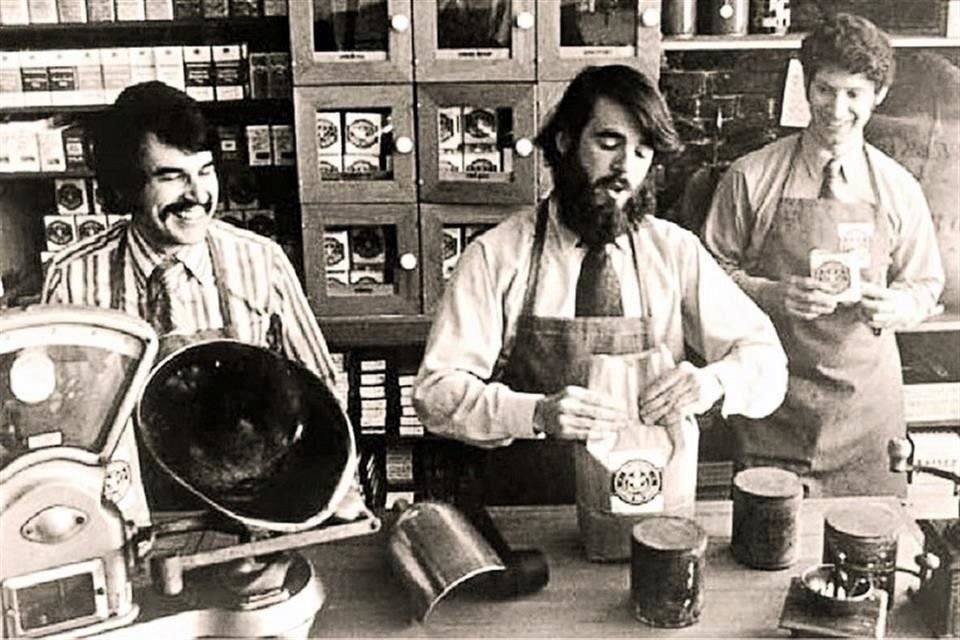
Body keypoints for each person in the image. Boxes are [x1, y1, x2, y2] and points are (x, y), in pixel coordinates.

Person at [413, 64, 788, 505]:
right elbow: (435, 395)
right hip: (532, 511)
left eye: (642, 152)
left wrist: (714, 382)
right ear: (565, 141)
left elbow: (768, 365)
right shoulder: (497, 255)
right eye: (608, 143)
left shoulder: (672, 251)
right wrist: (533, 412)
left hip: (649, 510)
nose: (624, 168)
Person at [41, 81, 365, 518]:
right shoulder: (73, 276)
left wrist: (334, 491)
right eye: (171, 176)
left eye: (206, 171)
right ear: (126, 185)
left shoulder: (259, 261)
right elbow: (59, 417)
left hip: (250, 502)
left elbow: (321, 390)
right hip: (129, 506)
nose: (197, 195)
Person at [702, 14, 945, 497]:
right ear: (806, 87)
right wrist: (773, 294)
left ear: (878, 95)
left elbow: (924, 284)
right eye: (825, 90)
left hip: (865, 415)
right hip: (774, 407)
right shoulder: (752, 177)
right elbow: (705, 278)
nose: (836, 108)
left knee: (869, 551)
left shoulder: (898, 188)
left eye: (853, 94)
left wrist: (898, 306)